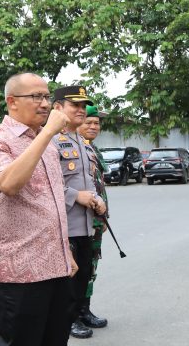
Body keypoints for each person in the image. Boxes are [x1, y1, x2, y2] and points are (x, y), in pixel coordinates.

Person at [0, 73, 77, 346]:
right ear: (12, 102)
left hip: (57, 267)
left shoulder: (49, 145)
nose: (45, 104)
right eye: (36, 97)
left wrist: (65, 250)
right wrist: (46, 133)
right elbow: (9, 184)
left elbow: (52, 202)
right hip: (19, 273)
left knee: (55, 339)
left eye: (46, 96)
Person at [51, 86, 108, 339]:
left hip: (87, 224)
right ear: (58, 108)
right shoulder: (50, 140)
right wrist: (76, 197)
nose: (81, 111)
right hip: (65, 225)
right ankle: (69, 319)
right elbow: (46, 186)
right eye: (75, 105)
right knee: (68, 279)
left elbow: (89, 182)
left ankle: (81, 312)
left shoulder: (83, 143)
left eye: (84, 106)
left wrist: (97, 201)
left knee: (85, 272)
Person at [77, 104, 110, 329]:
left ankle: (84, 310)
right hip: (77, 220)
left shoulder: (92, 149)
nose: (93, 126)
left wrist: (106, 215)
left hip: (96, 218)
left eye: (96, 122)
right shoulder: (65, 147)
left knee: (90, 267)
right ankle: (70, 317)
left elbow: (100, 185)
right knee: (75, 270)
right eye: (88, 121)